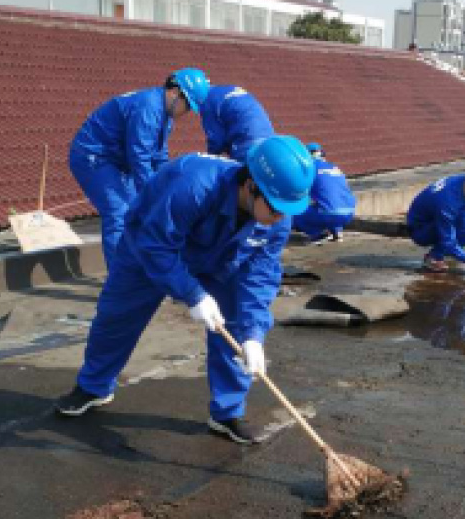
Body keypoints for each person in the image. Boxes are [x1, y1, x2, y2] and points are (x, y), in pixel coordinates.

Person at [54, 136, 316, 445]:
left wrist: (254, 336)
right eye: (276, 209)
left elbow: (259, 278)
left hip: (222, 259)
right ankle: (93, 386)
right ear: (250, 186)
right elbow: (156, 246)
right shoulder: (191, 186)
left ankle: (227, 412)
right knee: (117, 317)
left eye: (287, 210)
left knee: (233, 326)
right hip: (149, 247)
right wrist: (193, 294)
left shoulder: (276, 220)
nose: (281, 218)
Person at [69, 68, 211, 270]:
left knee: (136, 212)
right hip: (93, 157)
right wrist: (154, 195)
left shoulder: (164, 116)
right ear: (174, 92)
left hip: (117, 161)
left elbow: (159, 156)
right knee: (119, 213)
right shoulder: (149, 108)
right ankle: (119, 283)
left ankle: (135, 270)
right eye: (187, 104)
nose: (186, 112)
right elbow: (140, 157)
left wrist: (167, 187)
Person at [292, 143, 357, 244]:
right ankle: (336, 232)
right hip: (349, 213)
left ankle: (317, 235)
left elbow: (296, 192)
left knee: (294, 213)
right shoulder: (335, 168)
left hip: (328, 214)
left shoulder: (308, 169)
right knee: (330, 204)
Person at [199, 84, 275, 162]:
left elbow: (216, 141)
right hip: (268, 142)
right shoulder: (224, 91)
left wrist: (207, 161)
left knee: (240, 171)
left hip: (247, 144)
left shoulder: (208, 102)